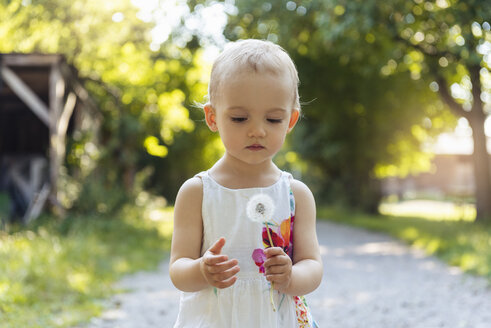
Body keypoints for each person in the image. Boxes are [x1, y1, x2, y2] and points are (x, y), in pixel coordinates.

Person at [170, 39, 323, 328]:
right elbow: (178, 269)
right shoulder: (197, 192)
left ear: (290, 121)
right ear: (212, 117)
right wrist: (201, 270)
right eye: (240, 118)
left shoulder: (295, 195)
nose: (257, 130)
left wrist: (291, 276)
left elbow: (312, 266)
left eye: (273, 119)